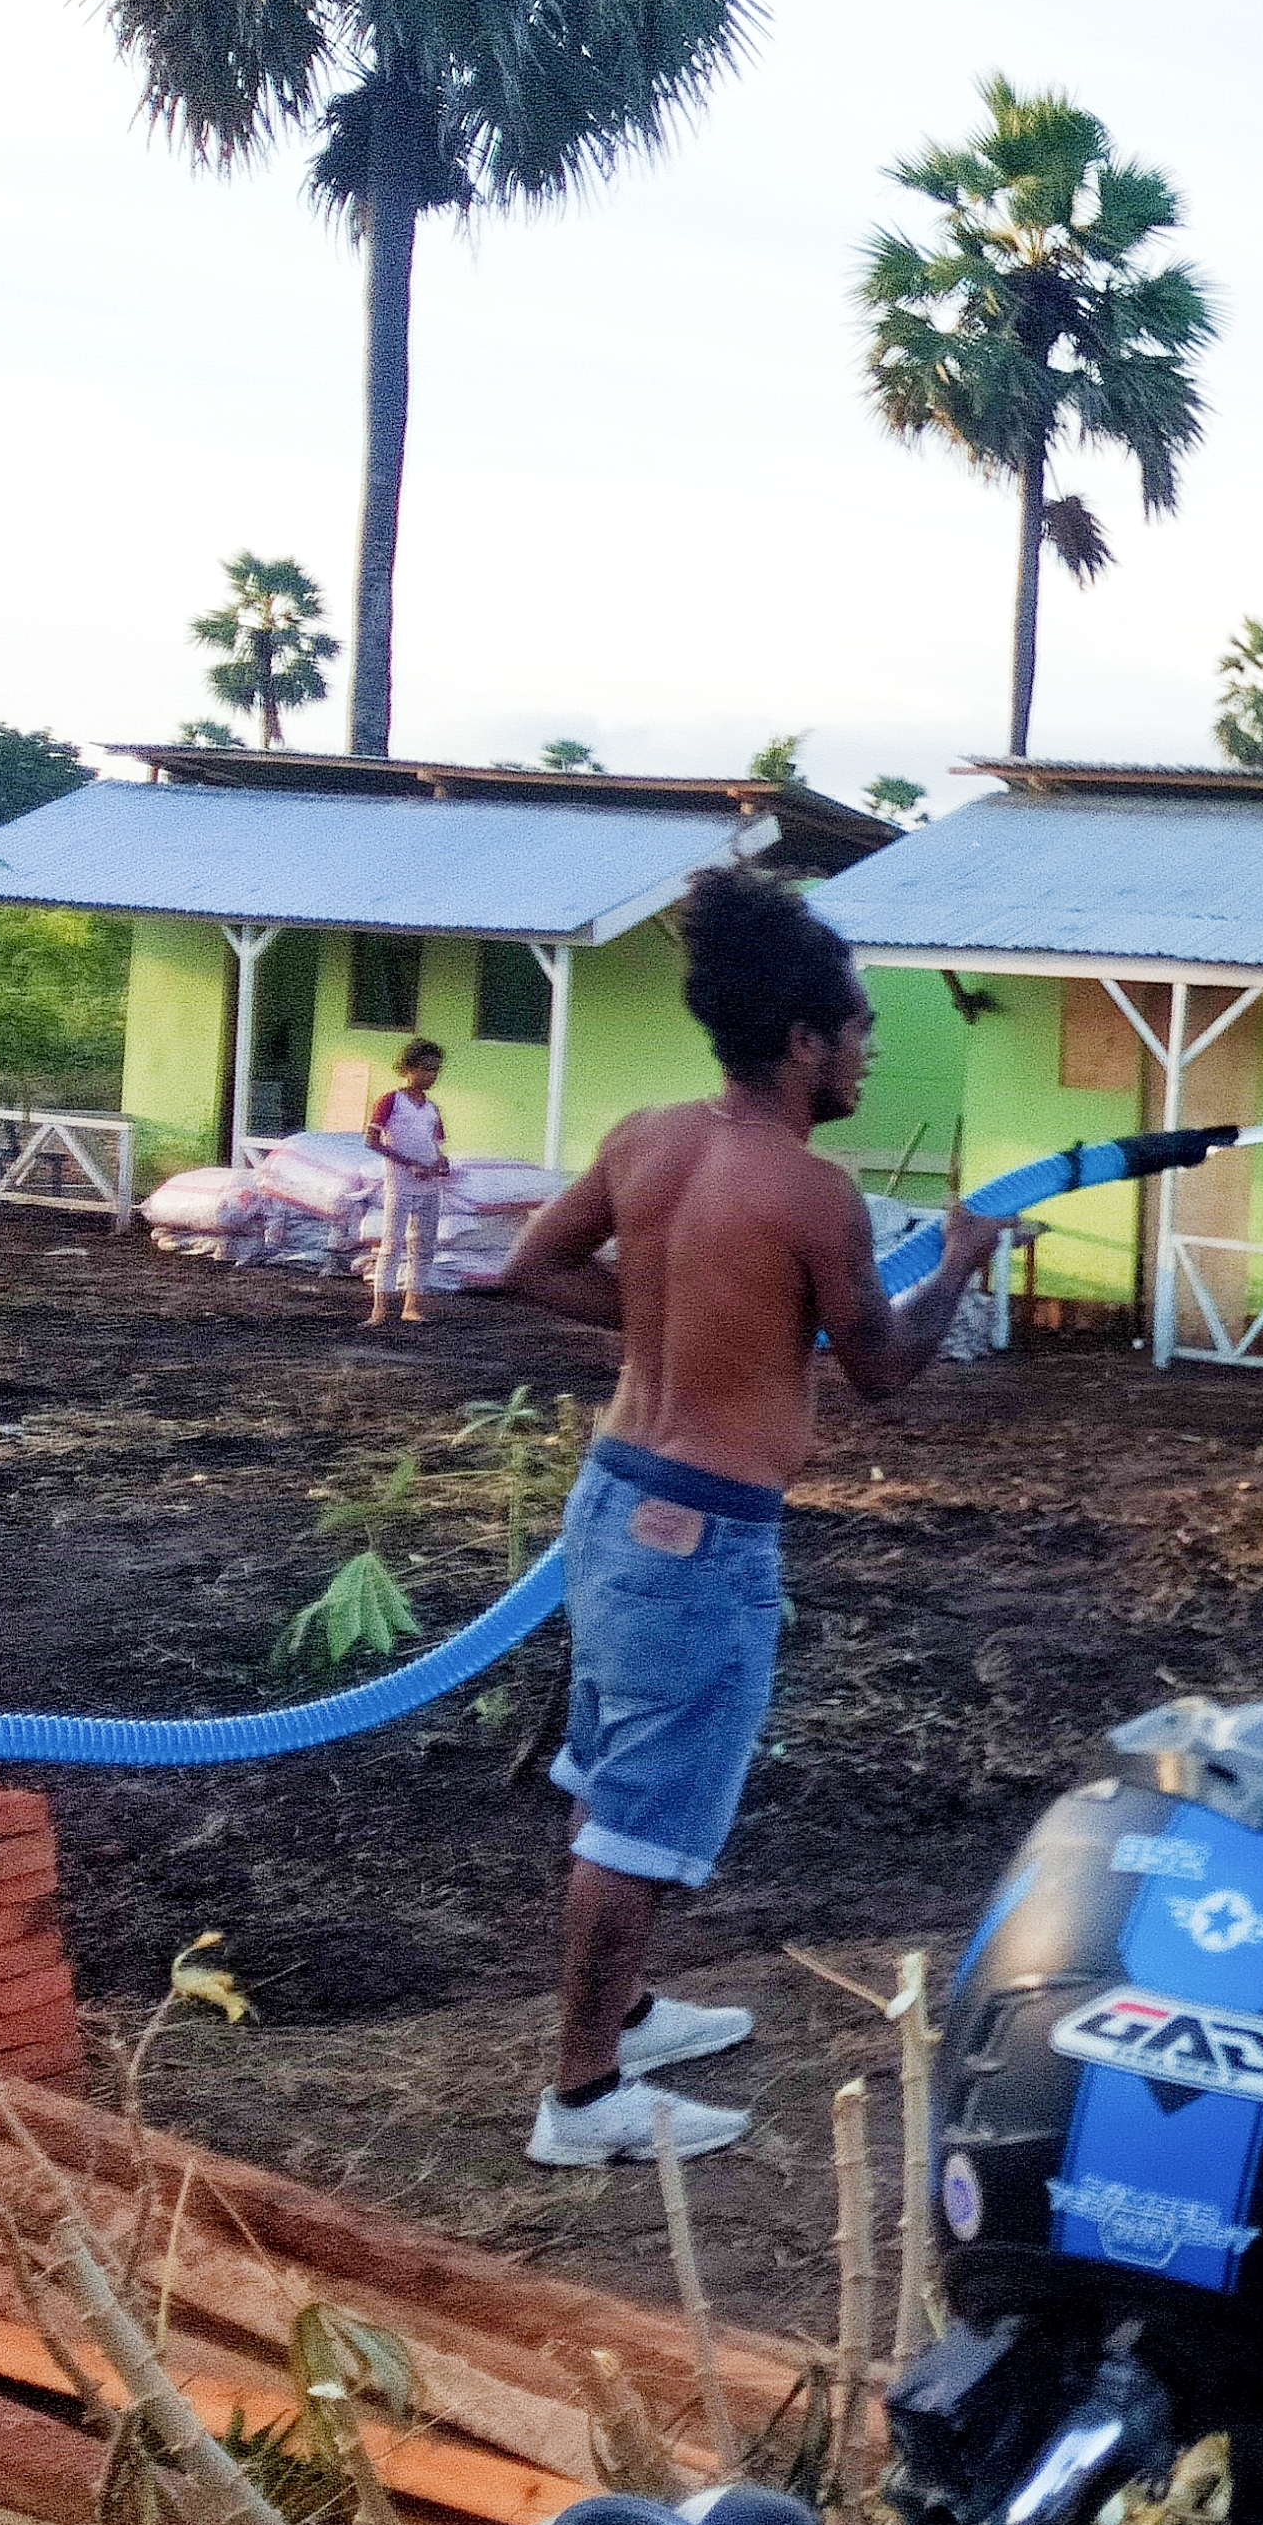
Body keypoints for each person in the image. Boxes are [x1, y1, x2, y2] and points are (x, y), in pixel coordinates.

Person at [498, 868, 1014, 2168]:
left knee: (618, 1779)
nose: (867, 1058)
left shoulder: (644, 1138)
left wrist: (691, 1328)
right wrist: (960, 1260)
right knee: (644, 1816)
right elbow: (886, 1372)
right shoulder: (810, 1190)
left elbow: (533, 1268)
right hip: (704, 1533)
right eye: (858, 1036)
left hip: (613, 1499)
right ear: (802, 1042)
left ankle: (622, 2015)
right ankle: (583, 2100)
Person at [362, 1038, 456, 1325]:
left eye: (436, 1070)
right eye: (426, 1069)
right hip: (401, 1184)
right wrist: (408, 1164)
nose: (431, 1076)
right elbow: (372, 1140)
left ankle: (412, 1305)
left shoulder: (432, 1109)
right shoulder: (392, 1101)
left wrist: (441, 1161)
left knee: (424, 1245)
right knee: (392, 1244)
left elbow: (435, 1144)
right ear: (408, 1068)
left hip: (429, 1186)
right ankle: (380, 1308)